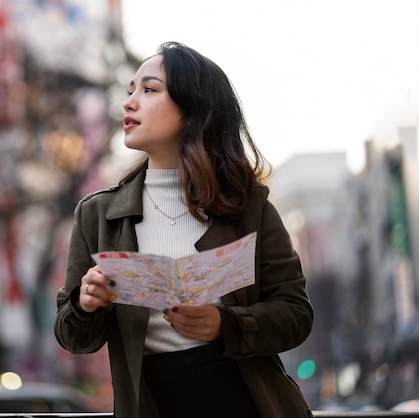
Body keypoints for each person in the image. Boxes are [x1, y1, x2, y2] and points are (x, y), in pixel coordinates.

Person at [54, 41, 314, 418]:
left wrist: (224, 325)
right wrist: (85, 302)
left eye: (149, 90)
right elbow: (71, 336)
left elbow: (296, 315)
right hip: (153, 403)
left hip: (247, 402)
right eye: (131, 91)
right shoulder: (97, 214)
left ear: (193, 107)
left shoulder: (247, 206)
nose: (129, 103)